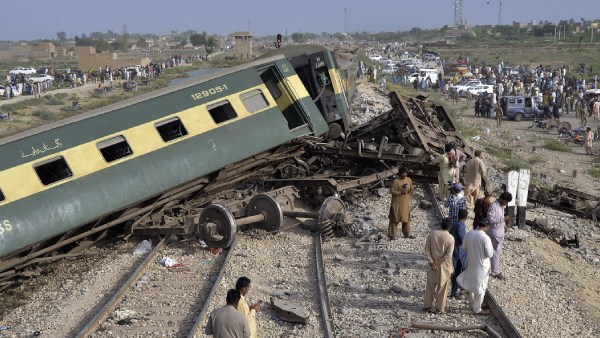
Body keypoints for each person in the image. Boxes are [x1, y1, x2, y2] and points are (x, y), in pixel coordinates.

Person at [456, 218, 494, 315]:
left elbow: (463, 247)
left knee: (472, 284)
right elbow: (490, 254)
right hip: (482, 265)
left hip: (471, 262)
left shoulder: (470, 234)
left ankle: (474, 304)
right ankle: (477, 308)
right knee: (482, 287)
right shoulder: (485, 238)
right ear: (486, 227)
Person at [423, 218, 455, 314]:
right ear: (450, 227)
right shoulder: (450, 238)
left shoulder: (432, 234)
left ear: (440, 225)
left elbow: (427, 250)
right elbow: (448, 255)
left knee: (430, 285)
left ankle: (427, 306)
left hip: (432, 265)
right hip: (444, 266)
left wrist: (432, 261)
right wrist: (438, 262)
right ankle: (439, 308)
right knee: (443, 288)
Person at [487, 192, 513, 280]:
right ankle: (495, 272)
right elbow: (491, 220)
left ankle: (492, 270)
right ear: (502, 199)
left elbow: (500, 217)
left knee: (496, 253)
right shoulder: (493, 206)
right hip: (494, 233)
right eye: (506, 201)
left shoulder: (501, 207)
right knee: (495, 253)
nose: (506, 203)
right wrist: (504, 219)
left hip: (500, 233)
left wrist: (505, 224)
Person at [388, 167, 415, 239]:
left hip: (405, 203)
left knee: (406, 219)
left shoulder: (409, 180)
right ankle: (392, 235)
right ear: (399, 174)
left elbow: (411, 188)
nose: (404, 175)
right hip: (397, 203)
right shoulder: (395, 181)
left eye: (405, 173)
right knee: (395, 218)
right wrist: (400, 192)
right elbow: (391, 191)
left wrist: (411, 190)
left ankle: (407, 234)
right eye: (403, 173)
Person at [450, 209, 468, 299]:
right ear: (466, 217)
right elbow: (463, 240)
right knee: (458, 272)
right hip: (459, 252)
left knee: (456, 272)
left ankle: (459, 288)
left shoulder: (453, 224)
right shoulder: (461, 226)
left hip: (454, 251)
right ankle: (455, 292)